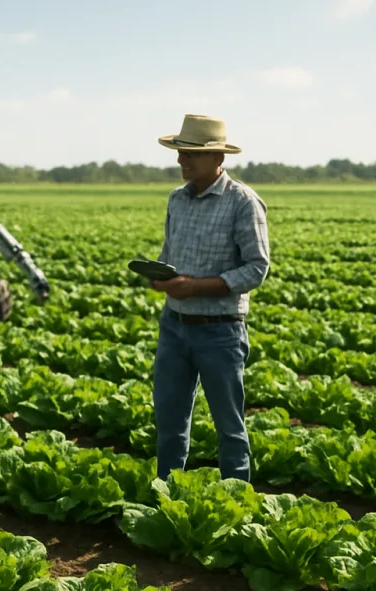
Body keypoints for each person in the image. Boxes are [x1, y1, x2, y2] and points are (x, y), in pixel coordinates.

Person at [148, 114, 270, 483]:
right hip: (174, 326)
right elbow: (170, 255)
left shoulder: (243, 202)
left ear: (218, 158)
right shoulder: (177, 199)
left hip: (219, 332)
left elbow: (256, 269)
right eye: (180, 153)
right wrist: (163, 278)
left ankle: (238, 503)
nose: (182, 161)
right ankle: (167, 495)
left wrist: (196, 286)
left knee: (229, 427)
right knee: (169, 421)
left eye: (191, 154)